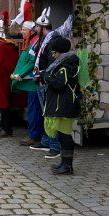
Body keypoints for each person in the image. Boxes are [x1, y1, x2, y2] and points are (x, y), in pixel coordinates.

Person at [30, 8, 74, 158]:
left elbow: (51, 62)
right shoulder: (45, 38)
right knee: (45, 114)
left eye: (37, 25)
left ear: (42, 26)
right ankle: (46, 140)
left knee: (50, 115)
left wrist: (44, 76)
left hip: (45, 80)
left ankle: (54, 146)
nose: (35, 28)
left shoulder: (52, 40)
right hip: (40, 78)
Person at [39, 37, 81, 175]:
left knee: (65, 136)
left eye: (55, 52)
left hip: (64, 105)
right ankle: (64, 163)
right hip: (61, 104)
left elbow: (58, 83)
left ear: (60, 53)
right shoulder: (63, 63)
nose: (53, 55)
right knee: (63, 135)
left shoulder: (68, 65)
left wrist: (45, 76)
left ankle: (68, 166)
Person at [0, 20, 24, 138]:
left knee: (4, 103)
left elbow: (10, 64)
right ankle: (3, 126)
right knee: (1, 103)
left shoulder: (4, 45)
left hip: (3, 79)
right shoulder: (1, 44)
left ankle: (6, 128)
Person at [11, 21, 42, 146]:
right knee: (33, 109)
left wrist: (20, 74)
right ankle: (34, 133)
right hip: (30, 83)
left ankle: (34, 135)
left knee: (34, 110)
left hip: (33, 83)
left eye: (24, 29)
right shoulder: (30, 42)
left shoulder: (34, 43)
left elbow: (32, 62)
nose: (21, 32)